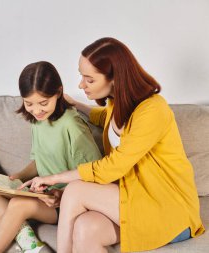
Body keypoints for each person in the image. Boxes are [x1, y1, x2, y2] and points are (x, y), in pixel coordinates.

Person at [20, 38, 205, 253]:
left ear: (115, 78)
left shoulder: (153, 110)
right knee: (85, 228)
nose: (81, 84)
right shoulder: (117, 104)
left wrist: (54, 178)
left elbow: (113, 167)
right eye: (81, 76)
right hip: (134, 198)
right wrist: (76, 104)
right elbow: (103, 117)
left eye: (89, 79)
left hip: (168, 208)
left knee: (75, 190)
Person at [0, 61, 102, 253]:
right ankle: (30, 243)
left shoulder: (72, 125)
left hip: (65, 202)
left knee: (18, 205)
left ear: (59, 93)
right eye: (29, 104)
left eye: (43, 103)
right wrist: (17, 177)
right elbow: (39, 161)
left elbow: (93, 174)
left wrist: (61, 195)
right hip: (42, 192)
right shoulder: (38, 120)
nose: (36, 111)